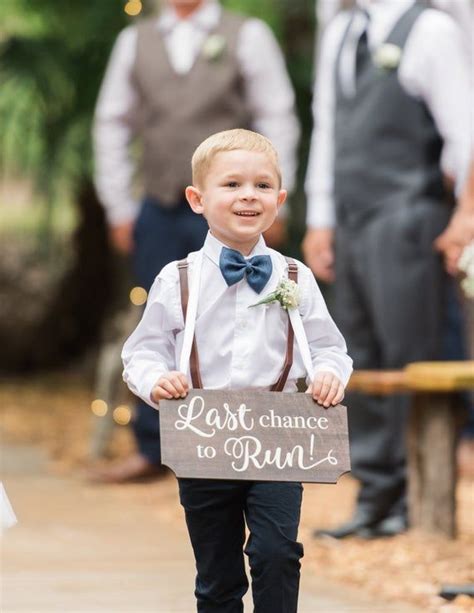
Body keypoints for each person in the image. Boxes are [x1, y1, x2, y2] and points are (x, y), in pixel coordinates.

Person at [121, 128, 353, 612]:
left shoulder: (295, 277)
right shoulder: (177, 279)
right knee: (217, 573)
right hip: (204, 436)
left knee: (277, 553)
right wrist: (155, 381)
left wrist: (330, 373)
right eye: (232, 184)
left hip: (278, 436)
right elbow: (141, 353)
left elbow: (330, 347)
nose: (249, 194)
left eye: (263, 186)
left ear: (279, 199)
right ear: (197, 198)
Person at [91, 0, 300, 482]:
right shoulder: (135, 40)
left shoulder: (246, 35)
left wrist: (275, 202)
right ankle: (155, 447)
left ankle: (238, 445)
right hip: (160, 205)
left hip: (235, 208)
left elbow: (277, 116)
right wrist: (119, 204)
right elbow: (112, 124)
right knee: (158, 319)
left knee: (241, 311)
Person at [303, 0, 471, 538]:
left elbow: (465, 132)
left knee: (408, 354)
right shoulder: (341, 31)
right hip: (350, 220)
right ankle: (375, 493)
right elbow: (327, 129)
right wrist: (321, 219)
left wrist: (466, 214)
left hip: (410, 215)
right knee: (354, 357)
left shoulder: (433, 29)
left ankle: (412, 495)